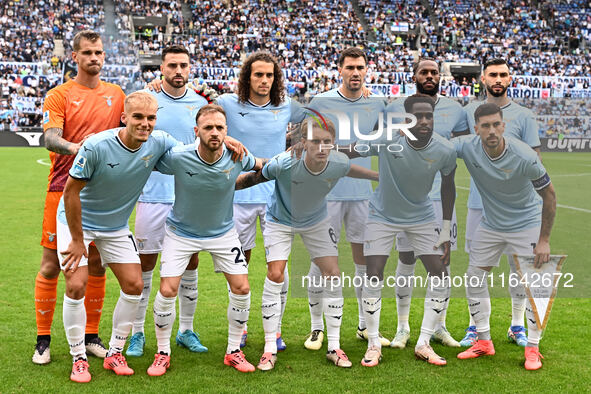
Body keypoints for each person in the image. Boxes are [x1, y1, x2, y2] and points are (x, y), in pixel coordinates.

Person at [57, 91, 178, 382]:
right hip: (77, 222)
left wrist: (228, 141)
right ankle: (79, 359)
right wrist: (76, 239)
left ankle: (114, 352)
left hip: (115, 226)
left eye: (150, 118)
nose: (145, 124)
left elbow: (193, 152)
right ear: (124, 118)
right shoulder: (97, 146)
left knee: (134, 285)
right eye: (138, 117)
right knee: (76, 285)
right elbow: (70, 192)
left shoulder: (159, 141)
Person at [146, 104, 264, 375]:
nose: (214, 132)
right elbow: (149, 155)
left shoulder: (238, 156)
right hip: (181, 233)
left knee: (242, 288)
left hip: (223, 233)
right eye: (208, 127)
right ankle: (162, 352)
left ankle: (233, 350)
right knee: (167, 290)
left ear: (227, 131)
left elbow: (259, 166)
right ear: (196, 131)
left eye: (220, 128)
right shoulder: (178, 156)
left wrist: (287, 166)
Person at [256, 116, 378, 370]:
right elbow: (255, 176)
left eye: (327, 142)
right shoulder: (284, 163)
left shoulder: (338, 161)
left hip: (316, 221)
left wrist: (377, 176)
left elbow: (347, 169)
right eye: (315, 142)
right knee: (275, 273)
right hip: (280, 220)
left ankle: (334, 346)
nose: (322, 147)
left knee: (333, 274)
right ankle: (269, 348)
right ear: (303, 143)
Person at [344, 94, 457, 367]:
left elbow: (448, 186)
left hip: (422, 217)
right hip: (382, 216)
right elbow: (350, 149)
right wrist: (315, 146)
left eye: (429, 116)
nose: (424, 121)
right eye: (417, 116)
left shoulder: (444, 149)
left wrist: (444, 227)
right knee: (373, 276)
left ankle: (424, 342)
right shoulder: (386, 138)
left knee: (441, 275)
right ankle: (373, 343)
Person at [35, 30, 125, 365]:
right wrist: (80, 148)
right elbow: (50, 138)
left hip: (102, 195)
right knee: (51, 266)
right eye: (87, 53)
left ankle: (91, 336)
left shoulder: (116, 95)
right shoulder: (59, 95)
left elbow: (131, 126)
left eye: (99, 52)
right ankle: (43, 340)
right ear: (75, 57)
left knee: (97, 264)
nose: (94, 58)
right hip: (62, 189)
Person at [454, 103, 556, 371]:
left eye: (496, 124)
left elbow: (550, 195)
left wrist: (543, 240)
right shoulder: (466, 146)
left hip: (526, 224)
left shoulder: (524, 156)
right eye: (485, 126)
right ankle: (484, 341)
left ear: (504, 126)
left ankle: (533, 348)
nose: (491, 131)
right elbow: (436, 146)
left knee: (537, 285)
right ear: (476, 128)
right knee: (474, 277)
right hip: (491, 224)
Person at [303, 47, 390, 350]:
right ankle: (316, 328)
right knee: (320, 262)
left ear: (367, 70)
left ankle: (365, 326)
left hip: (362, 196)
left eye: (360, 67)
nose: (355, 72)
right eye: (350, 67)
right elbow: (307, 143)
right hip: (324, 195)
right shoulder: (321, 102)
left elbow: (384, 143)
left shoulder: (377, 104)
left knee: (364, 262)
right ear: (339, 69)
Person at [216, 51, 303, 350]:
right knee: (239, 265)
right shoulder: (228, 104)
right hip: (238, 194)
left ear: (275, 78)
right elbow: (201, 121)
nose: (264, 80)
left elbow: (322, 117)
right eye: (258, 75)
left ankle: (275, 329)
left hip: (277, 198)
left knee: (278, 267)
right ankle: (238, 329)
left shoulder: (287, 105)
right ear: (247, 77)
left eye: (269, 75)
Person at [127, 44, 210, 358]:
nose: (178, 71)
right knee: (145, 264)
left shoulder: (202, 103)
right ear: (161, 68)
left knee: (190, 262)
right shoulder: (148, 100)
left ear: (190, 68)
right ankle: (137, 334)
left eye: (184, 66)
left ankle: (186, 330)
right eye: (172, 65)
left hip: (190, 197)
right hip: (152, 195)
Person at [384, 58, 468, 349]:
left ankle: (438, 326)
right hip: (407, 199)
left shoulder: (456, 110)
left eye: (434, 72)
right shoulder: (395, 107)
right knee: (406, 259)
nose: (430, 76)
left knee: (443, 262)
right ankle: (402, 327)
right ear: (414, 76)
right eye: (424, 72)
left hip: (441, 198)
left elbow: (466, 143)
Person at [460, 58, 543, 347]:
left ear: (510, 79)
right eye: (493, 74)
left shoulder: (523, 115)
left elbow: (535, 160)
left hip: (516, 208)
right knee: (476, 267)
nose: (498, 79)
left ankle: (517, 325)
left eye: (503, 74)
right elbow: (456, 145)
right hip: (478, 202)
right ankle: (475, 327)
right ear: (483, 78)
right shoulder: (468, 112)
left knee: (518, 267)